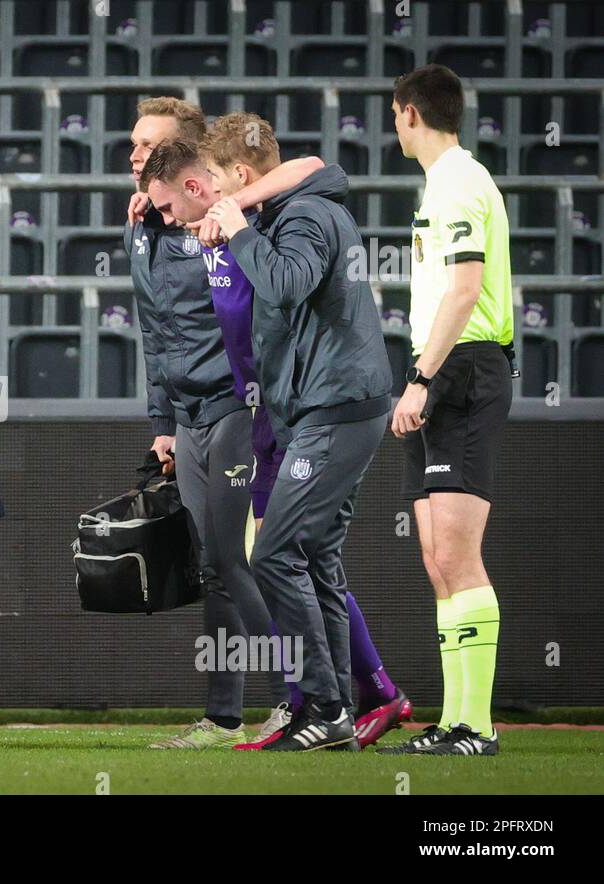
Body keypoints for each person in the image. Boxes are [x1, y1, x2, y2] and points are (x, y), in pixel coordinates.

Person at [181, 141, 414, 749]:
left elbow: (286, 284)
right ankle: (337, 707)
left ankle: (322, 704)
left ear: (240, 174)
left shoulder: (306, 214)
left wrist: (239, 231)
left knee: (275, 555)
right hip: (326, 404)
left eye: (215, 181)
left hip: (336, 406)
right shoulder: (294, 209)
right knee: (314, 560)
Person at [126, 99, 296, 749]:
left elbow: (308, 172)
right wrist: (162, 419)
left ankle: (298, 698)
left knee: (235, 558)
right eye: (134, 145)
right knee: (215, 567)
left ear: (189, 161)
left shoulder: (237, 218)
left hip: (238, 406)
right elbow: (154, 331)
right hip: (190, 416)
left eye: (151, 146)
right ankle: (224, 715)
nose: (137, 155)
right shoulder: (144, 226)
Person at [378, 65, 513, 757]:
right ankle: (456, 719)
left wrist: (422, 378)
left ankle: (477, 725)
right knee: (437, 557)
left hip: (462, 371)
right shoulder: (448, 181)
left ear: (409, 114)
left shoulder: (458, 181)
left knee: (457, 555)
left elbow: (463, 292)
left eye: (393, 113)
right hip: (442, 370)